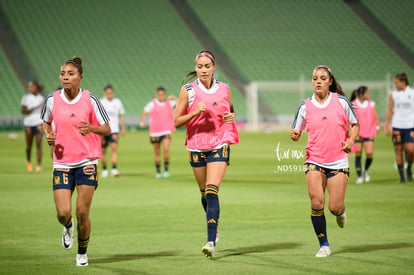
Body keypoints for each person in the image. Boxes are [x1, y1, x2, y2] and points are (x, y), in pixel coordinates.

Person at [41, 57, 110, 266]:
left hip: (87, 161)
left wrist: (92, 128)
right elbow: (45, 121)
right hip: (62, 163)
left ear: (80, 77)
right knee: (63, 213)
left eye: (70, 74)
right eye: (63, 74)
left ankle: (82, 252)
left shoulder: (91, 99)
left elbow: (107, 129)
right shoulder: (52, 100)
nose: (65, 77)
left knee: (82, 211)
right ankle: (67, 226)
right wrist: (48, 134)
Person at [174, 51, 239, 258]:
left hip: (219, 143)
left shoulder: (225, 88)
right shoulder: (188, 91)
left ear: (213, 67)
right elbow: (176, 121)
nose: (203, 70)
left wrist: (231, 115)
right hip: (196, 145)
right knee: (204, 193)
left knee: (212, 190)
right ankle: (216, 227)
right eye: (200, 67)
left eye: (207, 66)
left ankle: (210, 241)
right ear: (196, 68)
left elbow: (229, 109)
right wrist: (194, 112)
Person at [291, 65, 359, 257]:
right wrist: (295, 134)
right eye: (315, 78)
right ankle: (324, 245)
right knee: (316, 202)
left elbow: (355, 125)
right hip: (314, 160)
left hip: (338, 161)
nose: (318, 81)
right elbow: (296, 133)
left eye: (322, 78)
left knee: (334, 207)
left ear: (330, 81)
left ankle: (340, 212)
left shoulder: (342, 102)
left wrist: (351, 140)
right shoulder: (304, 106)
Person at [140, 86, 177, 179]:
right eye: (159, 94)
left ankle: (166, 170)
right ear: (157, 95)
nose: (161, 96)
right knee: (157, 152)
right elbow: (144, 113)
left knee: (166, 149)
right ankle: (158, 171)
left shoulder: (170, 103)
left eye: (163, 94)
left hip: (166, 130)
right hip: (155, 131)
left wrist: (174, 97)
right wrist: (142, 122)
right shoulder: (152, 104)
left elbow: (181, 103)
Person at [384, 73, 414, 183]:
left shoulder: (412, 93)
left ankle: (409, 168)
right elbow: (389, 110)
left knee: (411, 150)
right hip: (397, 125)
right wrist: (387, 125)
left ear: (403, 82)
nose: (395, 85)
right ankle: (401, 176)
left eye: (396, 82)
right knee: (398, 150)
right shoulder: (393, 94)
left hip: (410, 126)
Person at [350, 86, 380, 184]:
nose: (369, 95)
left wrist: (377, 127)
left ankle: (366, 170)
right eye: (367, 93)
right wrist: (354, 132)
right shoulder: (353, 104)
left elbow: (375, 116)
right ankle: (359, 176)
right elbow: (351, 119)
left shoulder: (371, 104)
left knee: (369, 155)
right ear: (362, 94)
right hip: (358, 134)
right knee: (358, 155)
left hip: (369, 132)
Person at [100, 84, 126, 177]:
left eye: (111, 93)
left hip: (114, 129)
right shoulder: (101, 102)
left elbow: (121, 115)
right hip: (103, 129)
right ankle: (104, 169)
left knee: (114, 148)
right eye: (108, 93)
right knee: (104, 150)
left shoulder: (117, 102)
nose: (109, 95)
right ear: (105, 93)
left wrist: (123, 127)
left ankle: (114, 169)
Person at [21, 81, 44, 172]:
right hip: (28, 123)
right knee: (29, 146)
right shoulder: (25, 98)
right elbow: (23, 111)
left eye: (32, 86)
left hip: (38, 123)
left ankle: (39, 165)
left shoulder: (41, 98)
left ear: (36, 88)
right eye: (29, 87)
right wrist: (35, 107)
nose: (30, 88)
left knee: (39, 144)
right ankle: (29, 162)